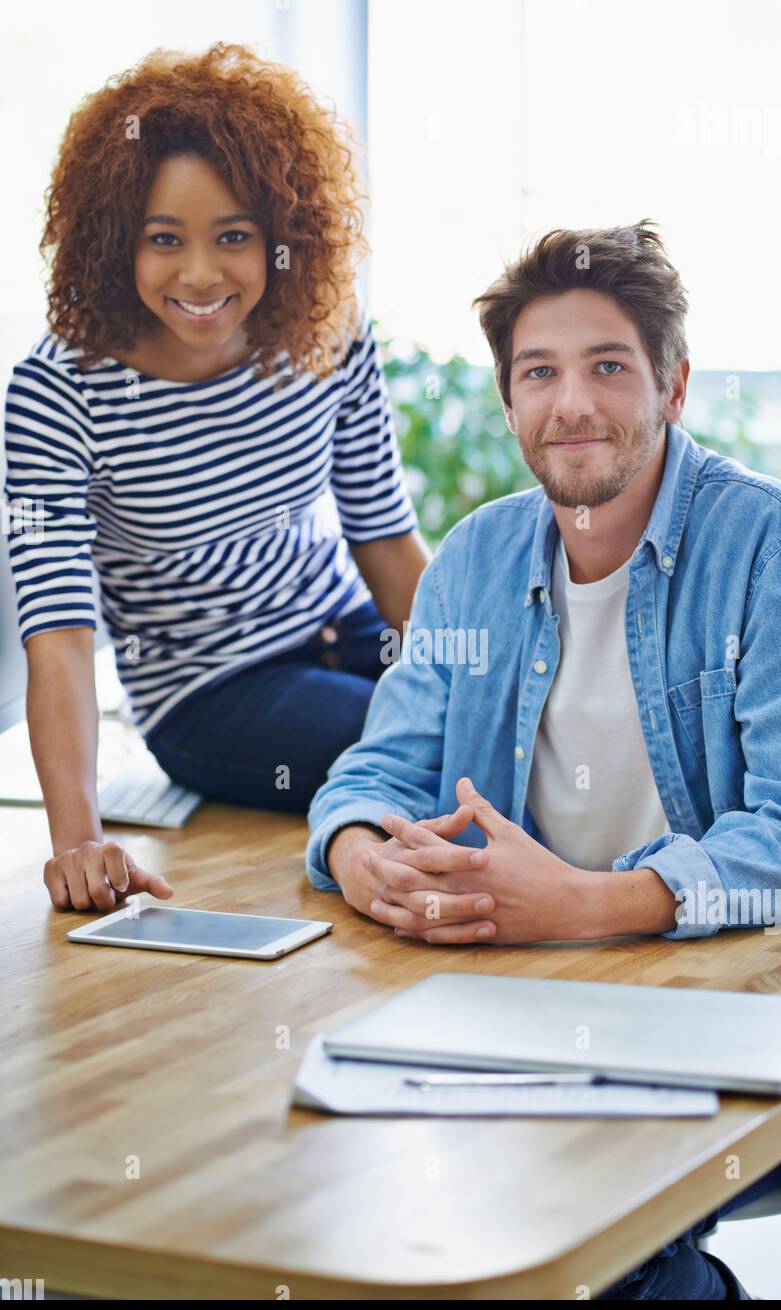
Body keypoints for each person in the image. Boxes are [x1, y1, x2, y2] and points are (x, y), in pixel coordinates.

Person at [305, 219, 781, 1298]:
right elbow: (372, 772)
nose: (571, 404)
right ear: (510, 400)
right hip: (511, 991)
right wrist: (369, 854)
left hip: (713, 996)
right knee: (359, 1203)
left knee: (581, 1265)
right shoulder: (472, 557)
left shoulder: (774, 546)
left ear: (674, 384)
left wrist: (585, 902)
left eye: (608, 367)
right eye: (539, 372)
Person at [3, 43, 427, 914]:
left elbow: (382, 534)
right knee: (436, 744)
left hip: (337, 626)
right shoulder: (58, 393)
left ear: (283, 239)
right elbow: (61, 636)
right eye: (164, 241)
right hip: (212, 695)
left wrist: (485, 665)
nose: (199, 275)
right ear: (116, 241)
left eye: (233, 237)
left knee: (525, 709)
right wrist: (78, 839)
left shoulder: (325, 331)